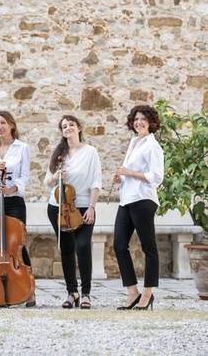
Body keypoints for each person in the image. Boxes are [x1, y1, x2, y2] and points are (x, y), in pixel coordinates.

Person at [44, 115, 102, 309]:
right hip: (58, 207)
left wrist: (92, 208)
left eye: (70, 125)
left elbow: (96, 182)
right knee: (67, 249)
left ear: (79, 127)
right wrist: (55, 176)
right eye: (64, 126)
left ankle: (86, 294)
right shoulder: (59, 153)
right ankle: (72, 293)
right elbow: (47, 182)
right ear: (62, 131)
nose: (67, 128)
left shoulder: (90, 152)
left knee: (83, 246)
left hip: (84, 206)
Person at [0, 110, 35, 307]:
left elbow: (25, 176)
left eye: (3, 123)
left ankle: (28, 289)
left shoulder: (22, 148)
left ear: (11, 125)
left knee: (17, 244)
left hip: (13, 201)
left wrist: (12, 188)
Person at [113, 105, 164, 310]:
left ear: (151, 122)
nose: (139, 122)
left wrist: (129, 172)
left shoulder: (153, 146)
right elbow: (131, 172)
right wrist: (121, 176)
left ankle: (148, 293)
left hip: (143, 200)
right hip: (126, 199)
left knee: (148, 247)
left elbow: (156, 177)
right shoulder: (134, 142)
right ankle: (133, 292)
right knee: (118, 244)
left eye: (143, 119)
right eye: (136, 119)